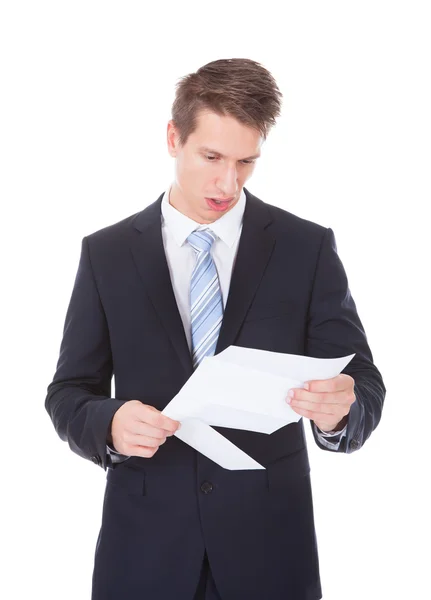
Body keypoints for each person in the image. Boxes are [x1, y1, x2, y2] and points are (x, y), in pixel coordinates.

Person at [45, 58, 385, 600]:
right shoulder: (106, 254)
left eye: (247, 161)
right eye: (212, 157)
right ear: (173, 137)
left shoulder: (305, 248)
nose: (228, 182)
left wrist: (342, 410)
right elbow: (67, 393)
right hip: (144, 556)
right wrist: (108, 422)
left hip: (271, 555)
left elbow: (362, 380)